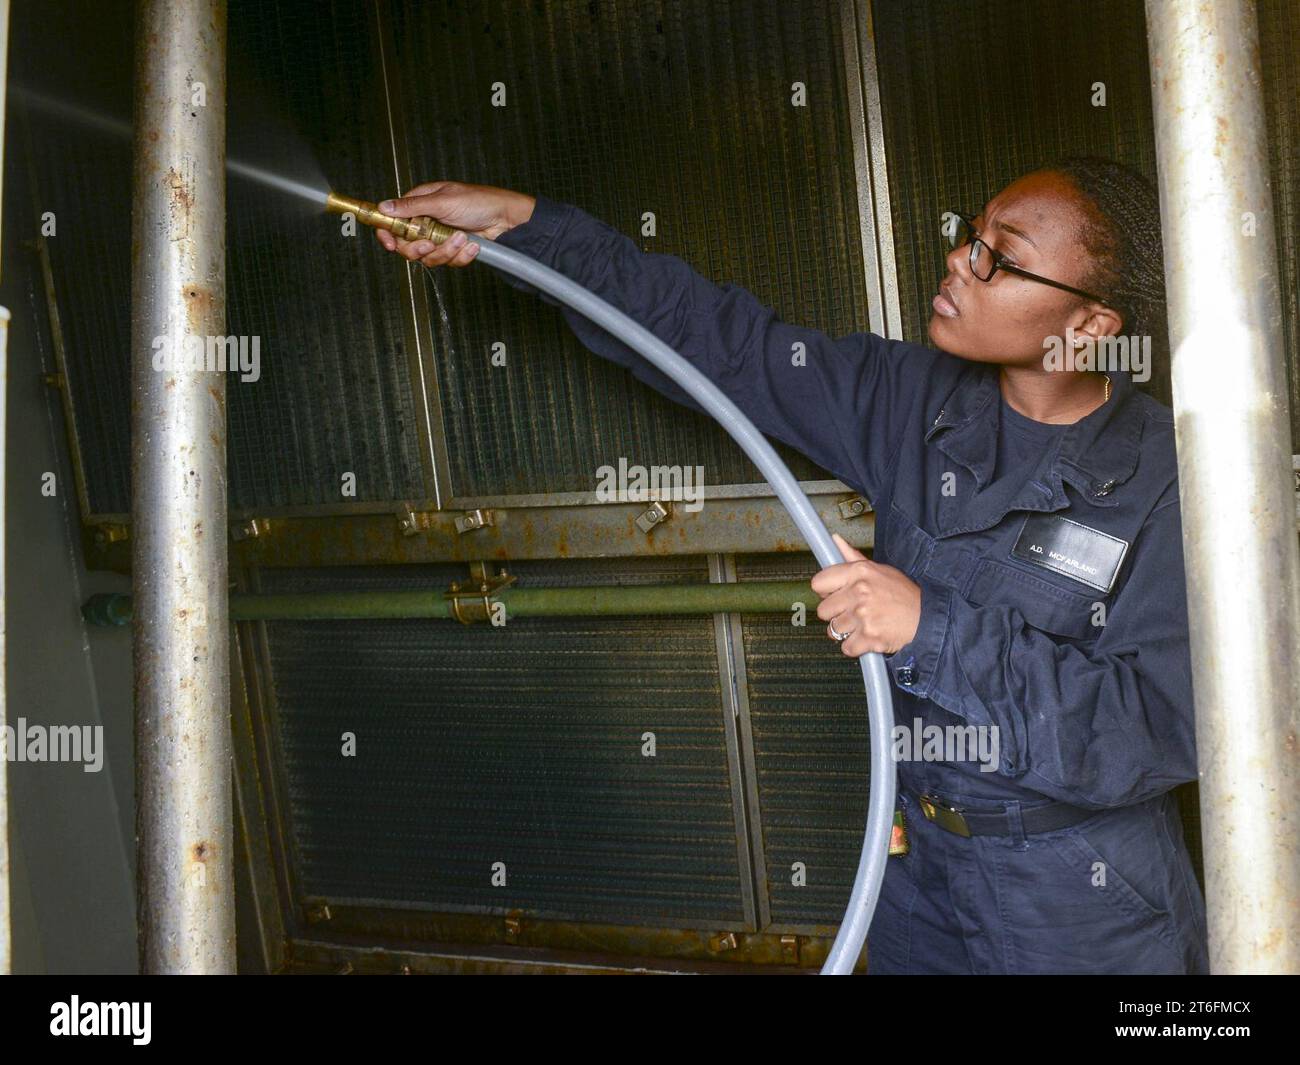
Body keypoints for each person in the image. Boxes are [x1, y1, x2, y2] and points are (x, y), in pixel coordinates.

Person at [372, 156, 1209, 975]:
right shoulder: (913, 400)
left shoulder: (1172, 479)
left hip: (1082, 899)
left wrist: (931, 627)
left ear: (1091, 325)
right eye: (971, 234)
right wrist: (531, 230)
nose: (961, 259)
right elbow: (722, 343)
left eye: (1002, 257)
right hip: (917, 868)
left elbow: (1163, 725)